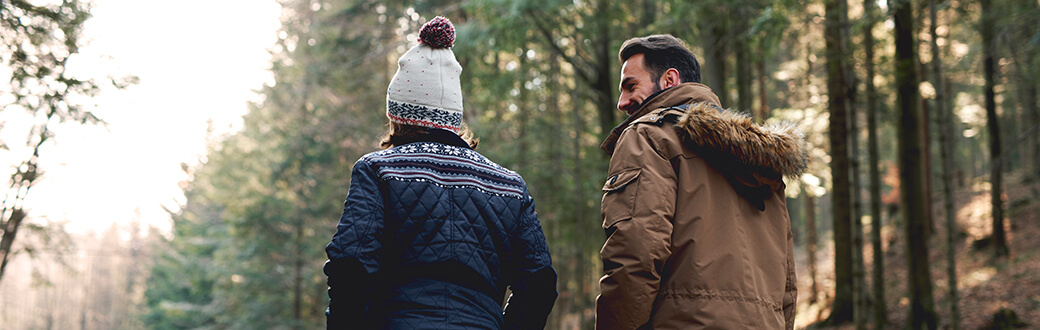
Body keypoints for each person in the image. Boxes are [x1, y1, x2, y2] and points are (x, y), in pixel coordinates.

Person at [323, 16, 557, 330]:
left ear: (399, 116)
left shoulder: (378, 170)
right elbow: (539, 284)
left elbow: (351, 268)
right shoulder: (510, 186)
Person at [596, 34, 805, 330]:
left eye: (631, 86)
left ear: (669, 80)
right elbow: (787, 283)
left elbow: (634, 256)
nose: (622, 103)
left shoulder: (648, 137)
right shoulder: (763, 160)